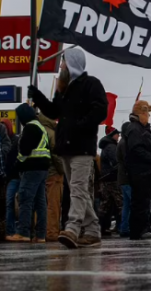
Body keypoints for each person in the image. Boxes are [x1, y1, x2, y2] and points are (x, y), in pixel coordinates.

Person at [29, 49, 108, 249]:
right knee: (76, 190)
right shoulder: (63, 88)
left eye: (63, 62)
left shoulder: (92, 84)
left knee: (79, 189)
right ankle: (92, 231)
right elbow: (54, 111)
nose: (61, 66)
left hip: (82, 147)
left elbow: (100, 110)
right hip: (65, 147)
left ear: (72, 63)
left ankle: (72, 228)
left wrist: (80, 124)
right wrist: (37, 96)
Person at [6, 104, 50, 242]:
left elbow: (25, 150)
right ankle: (41, 235)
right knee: (40, 202)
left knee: (25, 198)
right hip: (42, 168)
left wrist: (17, 164)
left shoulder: (30, 127)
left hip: (31, 168)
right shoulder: (41, 127)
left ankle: (23, 232)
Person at [123, 100, 151, 240]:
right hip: (140, 171)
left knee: (143, 201)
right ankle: (138, 230)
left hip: (144, 171)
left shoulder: (140, 128)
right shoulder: (135, 129)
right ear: (142, 113)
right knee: (140, 202)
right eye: (147, 113)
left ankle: (142, 228)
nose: (148, 116)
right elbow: (136, 148)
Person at [37, 114, 65, 242]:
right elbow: (56, 155)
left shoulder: (36, 129)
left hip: (39, 173)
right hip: (53, 174)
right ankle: (52, 232)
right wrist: (63, 171)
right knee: (53, 205)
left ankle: (39, 232)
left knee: (40, 204)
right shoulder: (51, 133)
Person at [98, 126, 123, 236]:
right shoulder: (112, 147)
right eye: (117, 134)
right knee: (120, 203)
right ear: (112, 135)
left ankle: (102, 227)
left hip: (106, 179)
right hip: (112, 179)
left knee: (105, 204)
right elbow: (117, 162)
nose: (118, 136)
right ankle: (121, 226)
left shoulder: (106, 147)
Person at [3, 119, 19, 240]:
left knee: (12, 204)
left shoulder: (15, 141)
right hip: (8, 177)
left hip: (14, 176)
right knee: (9, 204)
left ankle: (13, 230)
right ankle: (9, 230)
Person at [117, 122, 131, 238]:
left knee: (126, 205)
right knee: (133, 203)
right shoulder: (125, 143)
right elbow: (127, 160)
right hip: (127, 178)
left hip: (122, 178)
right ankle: (128, 227)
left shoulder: (121, 142)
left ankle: (124, 228)